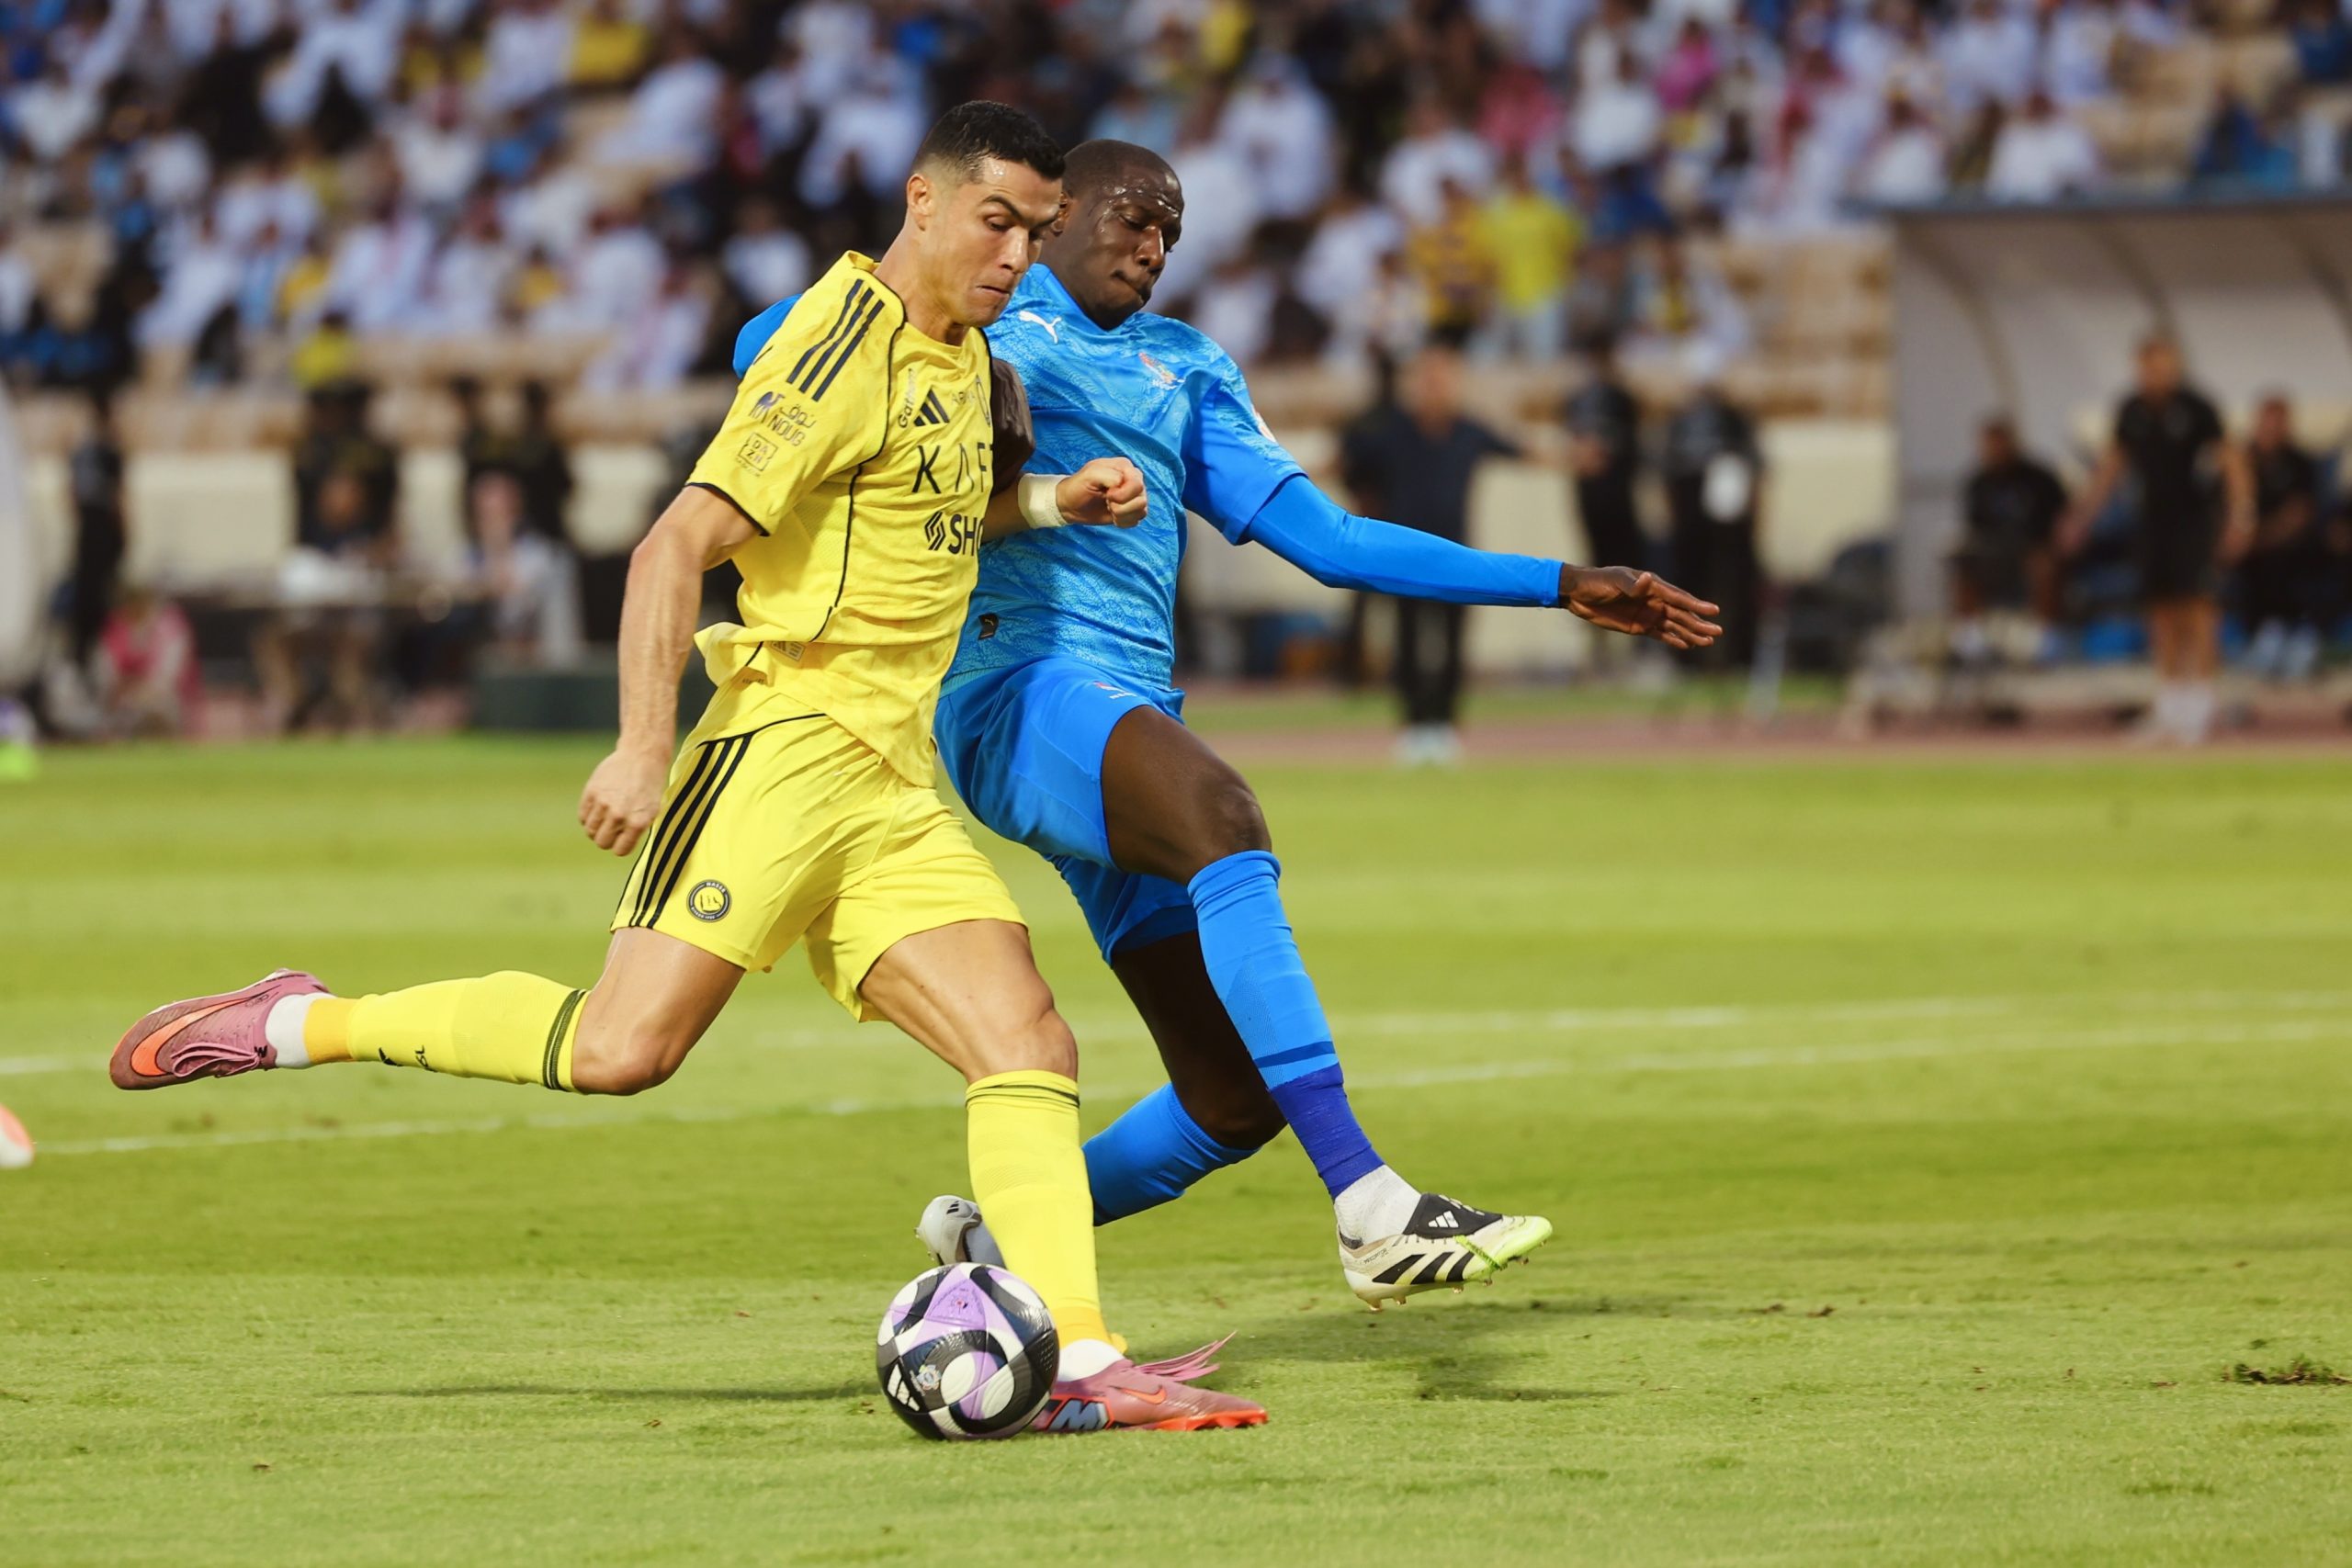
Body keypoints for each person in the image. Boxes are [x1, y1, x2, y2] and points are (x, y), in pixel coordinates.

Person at [108, 103, 1262, 1436]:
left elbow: (924, 513)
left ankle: (1077, 1360)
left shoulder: (961, 354)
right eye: (997, 221)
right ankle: (300, 1018)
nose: (1016, 254)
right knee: (619, 1051)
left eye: (1036, 230)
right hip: (777, 751)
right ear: (926, 201)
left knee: (1028, 1042)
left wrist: (1056, 500)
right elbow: (674, 545)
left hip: (886, 785)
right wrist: (644, 745)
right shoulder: (834, 351)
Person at [738, 141, 1718, 1305]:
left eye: (1173, 232)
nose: (1154, 246)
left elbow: (1334, 544)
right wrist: (946, 360)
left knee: (1231, 1098)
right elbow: (766, 346)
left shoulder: (1184, 366)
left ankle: (994, 1246)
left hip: (1122, 719)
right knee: (1222, 813)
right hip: (1016, 691)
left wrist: (1557, 581)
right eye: (1135, 218)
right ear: (1058, 216)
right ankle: (1368, 1205)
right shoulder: (980, 322)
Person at [2062, 335, 2253, 743]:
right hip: (2152, 523)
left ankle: (2201, 705)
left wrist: (2240, 516)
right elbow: (2112, 467)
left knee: (2197, 608)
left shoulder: (2198, 408)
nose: (2157, 373)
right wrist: (2082, 517)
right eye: (2150, 365)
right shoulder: (2131, 410)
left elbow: (2231, 460)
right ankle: (2170, 706)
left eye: (2165, 364)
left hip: (2194, 522)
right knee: (2161, 612)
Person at [1372, 337, 1525, 763]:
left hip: (1457, 556)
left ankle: (1445, 726)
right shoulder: (1393, 431)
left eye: (1442, 377)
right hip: (1401, 556)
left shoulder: (1469, 430)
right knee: (1407, 642)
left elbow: (1521, 449)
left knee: (1453, 643)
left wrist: (1574, 456)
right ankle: (1412, 725)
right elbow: (1349, 462)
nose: (1434, 386)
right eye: (1427, 377)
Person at [1661, 371, 1767, 670]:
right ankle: (1687, 657)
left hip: (1732, 523)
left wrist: (1756, 517)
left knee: (1736, 586)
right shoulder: (1679, 423)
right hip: (1691, 519)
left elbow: (1756, 472)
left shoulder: (1735, 421)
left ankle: (1738, 655)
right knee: (1687, 586)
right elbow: (1667, 475)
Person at [1951, 416, 2067, 665]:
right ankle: (1972, 640)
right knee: (1962, 563)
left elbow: (2062, 520)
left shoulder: (2039, 479)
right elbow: (1974, 529)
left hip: (2035, 549)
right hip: (1995, 554)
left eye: (2000, 443)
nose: (1995, 451)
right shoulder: (1978, 484)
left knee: (2042, 564)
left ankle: (2045, 639)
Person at [2236, 393, 2322, 682]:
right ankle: (2264, 638)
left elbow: (2299, 514)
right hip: (2246, 544)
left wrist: (2261, 537)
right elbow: (2230, 508)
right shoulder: (2241, 460)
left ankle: (2290, 638)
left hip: (2285, 544)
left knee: (2286, 558)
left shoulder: (2300, 462)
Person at [66, 389, 129, 675]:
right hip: (102, 529)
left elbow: (71, 497)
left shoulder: (80, 451)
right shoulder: (109, 452)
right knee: (104, 598)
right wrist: (124, 532)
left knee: (86, 598)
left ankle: (85, 660)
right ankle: (99, 661)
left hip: (86, 531)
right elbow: (119, 497)